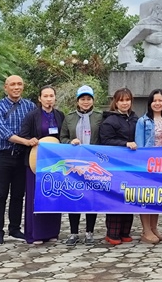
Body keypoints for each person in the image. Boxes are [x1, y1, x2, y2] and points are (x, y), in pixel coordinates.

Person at [0, 75, 37, 245]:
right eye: (13, 85)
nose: (16, 87)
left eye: (19, 84)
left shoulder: (30, 106)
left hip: (22, 157)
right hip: (2, 156)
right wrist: (26, 141)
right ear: (6, 88)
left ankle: (15, 228)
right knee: (0, 194)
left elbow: (36, 128)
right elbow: (4, 133)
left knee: (18, 195)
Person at [19, 85, 65, 244]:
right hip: (35, 162)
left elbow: (64, 136)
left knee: (53, 195)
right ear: (39, 98)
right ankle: (35, 234)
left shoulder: (60, 115)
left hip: (54, 163)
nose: (48, 99)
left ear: (55, 98)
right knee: (35, 197)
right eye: (45, 96)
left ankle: (52, 232)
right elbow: (23, 135)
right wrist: (30, 141)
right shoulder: (32, 116)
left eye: (51, 96)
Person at [60, 85, 102, 246]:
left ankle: (89, 232)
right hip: (74, 163)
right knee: (74, 197)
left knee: (91, 197)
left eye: (88, 99)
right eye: (82, 99)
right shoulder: (69, 117)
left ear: (93, 100)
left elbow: (103, 136)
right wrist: (70, 142)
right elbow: (62, 137)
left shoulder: (99, 116)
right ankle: (73, 232)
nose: (86, 102)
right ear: (77, 101)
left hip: (93, 164)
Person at [99, 88, 138, 245]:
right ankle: (113, 233)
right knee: (115, 197)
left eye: (127, 100)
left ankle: (125, 232)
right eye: (121, 100)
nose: (124, 103)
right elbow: (106, 141)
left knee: (129, 196)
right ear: (115, 102)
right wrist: (124, 144)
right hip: (114, 165)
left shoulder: (136, 119)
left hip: (132, 165)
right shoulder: (109, 121)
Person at [134, 89, 162, 244]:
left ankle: (154, 227)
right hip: (147, 164)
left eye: (160, 100)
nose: (157, 103)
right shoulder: (142, 121)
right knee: (146, 196)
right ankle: (146, 230)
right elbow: (139, 144)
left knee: (157, 196)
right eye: (154, 101)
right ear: (150, 103)